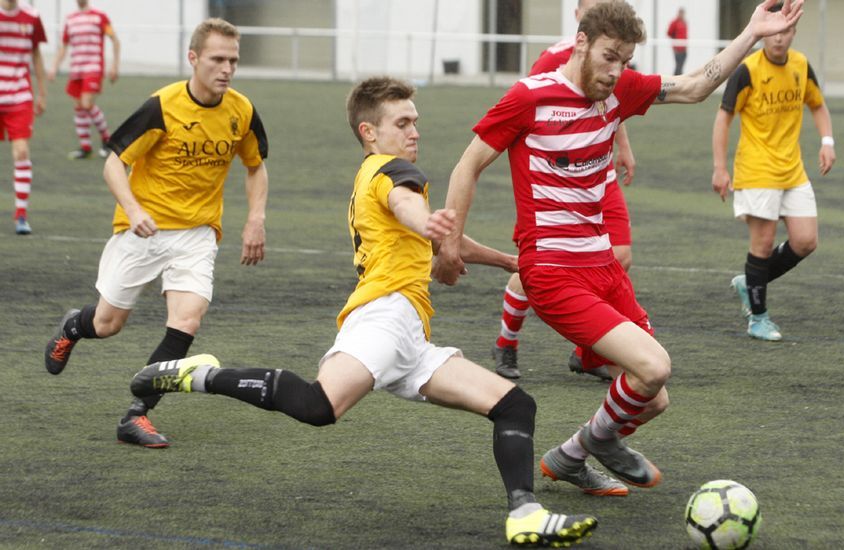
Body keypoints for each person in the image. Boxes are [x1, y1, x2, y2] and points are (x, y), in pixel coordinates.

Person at [127, 76, 598, 547]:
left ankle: (526, 514)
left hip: (409, 336)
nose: (415, 131)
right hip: (384, 318)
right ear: (369, 131)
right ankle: (201, 373)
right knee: (318, 407)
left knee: (514, 404)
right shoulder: (391, 172)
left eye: (416, 122)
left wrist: (507, 261)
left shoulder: (372, 175)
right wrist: (429, 223)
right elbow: (407, 205)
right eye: (403, 122)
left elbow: (429, 230)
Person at [433, 0, 803, 497]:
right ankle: (592, 445)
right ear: (582, 42)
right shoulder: (530, 96)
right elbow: (467, 165)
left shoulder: (621, 90)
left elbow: (694, 86)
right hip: (553, 271)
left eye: (624, 60)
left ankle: (572, 455)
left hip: (604, 266)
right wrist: (450, 245)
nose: (615, 71)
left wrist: (752, 33)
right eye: (609, 56)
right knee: (653, 367)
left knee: (654, 398)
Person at [43, 18, 269, 448]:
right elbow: (113, 161)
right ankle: (74, 326)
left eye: (233, 60)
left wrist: (255, 218)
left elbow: (255, 165)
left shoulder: (241, 110)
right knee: (108, 324)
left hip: (198, 234)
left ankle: (137, 415)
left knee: (186, 321)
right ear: (194, 58)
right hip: (143, 232)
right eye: (218, 59)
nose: (227, 69)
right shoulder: (161, 106)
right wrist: (132, 209)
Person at [493, 0, 634, 383]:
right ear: (579, 17)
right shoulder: (552, 61)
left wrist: (623, 145)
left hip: (600, 177)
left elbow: (610, 100)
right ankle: (507, 341)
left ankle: (588, 352)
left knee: (619, 256)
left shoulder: (614, 58)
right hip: (557, 183)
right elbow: (533, 112)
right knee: (539, 263)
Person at [712, 2, 835, 341]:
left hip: (792, 170)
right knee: (763, 243)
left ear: (793, 33)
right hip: (757, 170)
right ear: (765, 33)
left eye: (786, 32)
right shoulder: (747, 71)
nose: (779, 39)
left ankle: (750, 282)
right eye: (774, 32)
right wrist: (720, 168)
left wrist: (827, 141)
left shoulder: (801, 65)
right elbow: (723, 118)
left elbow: (818, 105)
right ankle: (758, 317)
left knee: (806, 241)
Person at [47, 0, 121, 159]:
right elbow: (64, 47)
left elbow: (114, 40)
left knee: (87, 104)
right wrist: (53, 67)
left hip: (93, 68)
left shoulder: (99, 17)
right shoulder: (70, 19)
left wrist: (114, 65)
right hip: (76, 70)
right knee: (80, 107)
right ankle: (86, 147)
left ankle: (108, 140)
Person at [0, 0, 46, 235]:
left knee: (21, 152)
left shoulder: (32, 16)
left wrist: (42, 92)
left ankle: (21, 214)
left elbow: (36, 55)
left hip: (19, 96)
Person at [666, 8, 688, 75]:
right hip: (677, 48)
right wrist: (675, 41)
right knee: (678, 66)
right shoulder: (674, 22)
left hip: (684, 48)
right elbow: (669, 33)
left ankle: (678, 79)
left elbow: (685, 35)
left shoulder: (684, 22)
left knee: (680, 66)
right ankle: (675, 79)